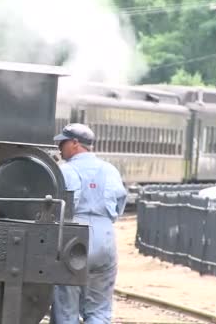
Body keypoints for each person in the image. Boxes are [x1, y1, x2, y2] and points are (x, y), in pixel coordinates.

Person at [51, 123, 127, 324]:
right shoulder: (110, 170)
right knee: (99, 309)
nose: (60, 147)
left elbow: (60, 207)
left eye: (63, 142)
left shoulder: (65, 170)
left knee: (66, 309)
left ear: (75, 143)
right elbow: (119, 205)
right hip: (105, 237)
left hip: (73, 237)